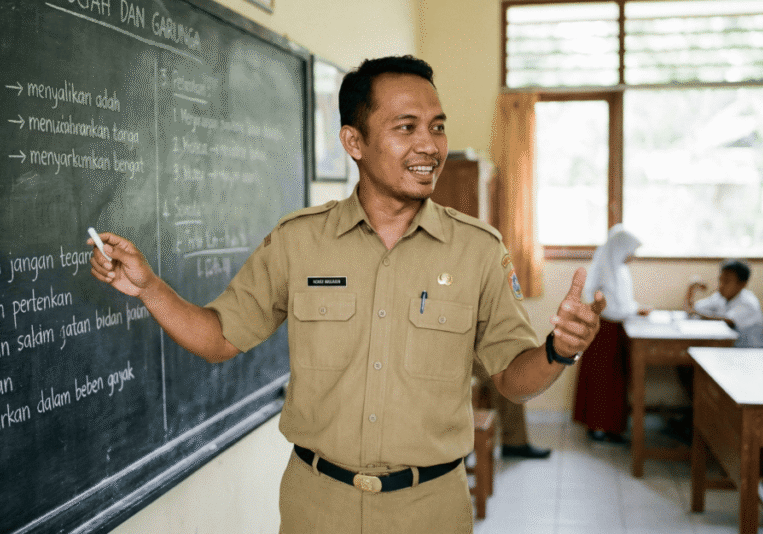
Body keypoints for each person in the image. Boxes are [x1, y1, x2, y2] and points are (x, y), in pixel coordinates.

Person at [88, 55, 606, 533]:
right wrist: (150, 288)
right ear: (354, 142)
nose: (430, 145)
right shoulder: (298, 241)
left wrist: (561, 348)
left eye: (437, 127)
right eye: (407, 128)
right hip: (318, 504)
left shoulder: (478, 250)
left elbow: (513, 380)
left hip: (431, 509)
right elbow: (220, 337)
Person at [573, 224, 646, 443]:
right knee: (602, 380)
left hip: (615, 328)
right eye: (630, 252)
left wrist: (635, 308)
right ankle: (597, 427)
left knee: (614, 381)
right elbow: (608, 306)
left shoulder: (619, 270)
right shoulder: (603, 269)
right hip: (603, 330)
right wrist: (632, 310)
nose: (632, 257)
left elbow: (622, 301)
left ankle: (610, 426)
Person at [686, 259, 763, 348]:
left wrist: (697, 313)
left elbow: (727, 321)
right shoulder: (720, 297)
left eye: (726, 281)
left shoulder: (748, 302)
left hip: (752, 352)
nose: (721, 285)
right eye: (720, 280)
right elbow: (692, 309)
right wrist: (691, 288)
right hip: (731, 349)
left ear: (742, 284)